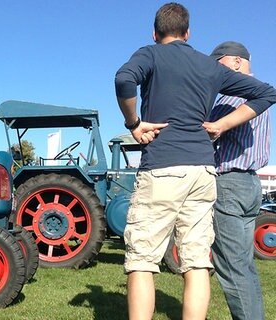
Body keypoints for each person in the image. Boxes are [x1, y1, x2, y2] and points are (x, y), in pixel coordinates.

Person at [114, 3, 276, 320]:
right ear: (188, 33)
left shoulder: (149, 53)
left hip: (162, 167)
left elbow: (124, 80)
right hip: (203, 171)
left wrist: (133, 123)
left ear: (155, 32)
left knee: (143, 260)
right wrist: (221, 125)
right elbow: (266, 93)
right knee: (197, 260)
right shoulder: (209, 66)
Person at [208, 41, 268, 320]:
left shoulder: (233, 97)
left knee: (232, 268)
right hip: (251, 185)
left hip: (229, 184)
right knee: (244, 266)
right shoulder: (260, 94)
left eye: (216, 63)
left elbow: (205, 132)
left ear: (234, 62)